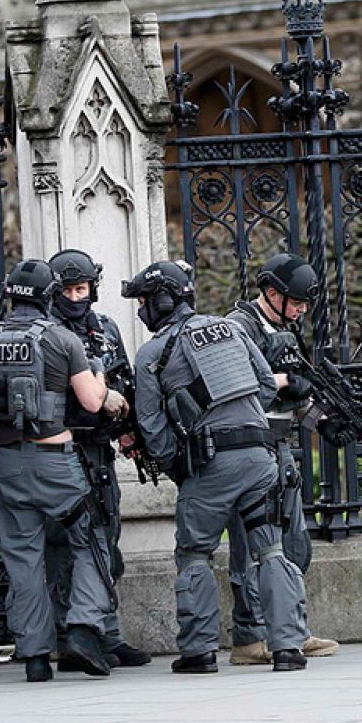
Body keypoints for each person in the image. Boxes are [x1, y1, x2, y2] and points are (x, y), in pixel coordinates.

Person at [127, 260, 311, 673]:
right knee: (272, 548)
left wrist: (181, 466)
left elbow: (152, 426)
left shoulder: (153, 353)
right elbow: (266, 385)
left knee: (194, 554)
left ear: (161, 301)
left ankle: (199, 651)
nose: (141, 310)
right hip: (261, 455)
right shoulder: (229, 328)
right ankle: (287, 648)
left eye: (144, 301)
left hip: (211, 463)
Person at [0, 258, 125, 682]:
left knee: (23, 562)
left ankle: (35, 656)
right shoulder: (61, 340)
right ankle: (85, 629)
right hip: (56, 462)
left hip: (8, 465)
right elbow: (91, 401)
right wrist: (101, 376)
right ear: (48, 295)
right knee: (91, 540)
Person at [223, 253, 339, 665]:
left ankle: (289, 629)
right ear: (271, 293)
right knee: (251, 547)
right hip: (249, 449)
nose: (302, 310)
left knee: (292, 544)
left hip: (280, 446)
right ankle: (250, 637)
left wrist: (320, 420)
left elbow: (296, 394)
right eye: (295, 301)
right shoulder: (238, 328)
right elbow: (235, 383)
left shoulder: (284, 328)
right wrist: (285, 381)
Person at [44, 248, 151, 670]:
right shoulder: (47, 332)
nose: (75, 297)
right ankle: (67, 635)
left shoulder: (105, 328)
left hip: (98, 448)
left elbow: (123, 378)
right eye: (68, 289)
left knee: (106, 537)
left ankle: (107, 632)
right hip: (60, 448)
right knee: (64, 545)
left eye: (81, 288)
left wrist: (130, 435)